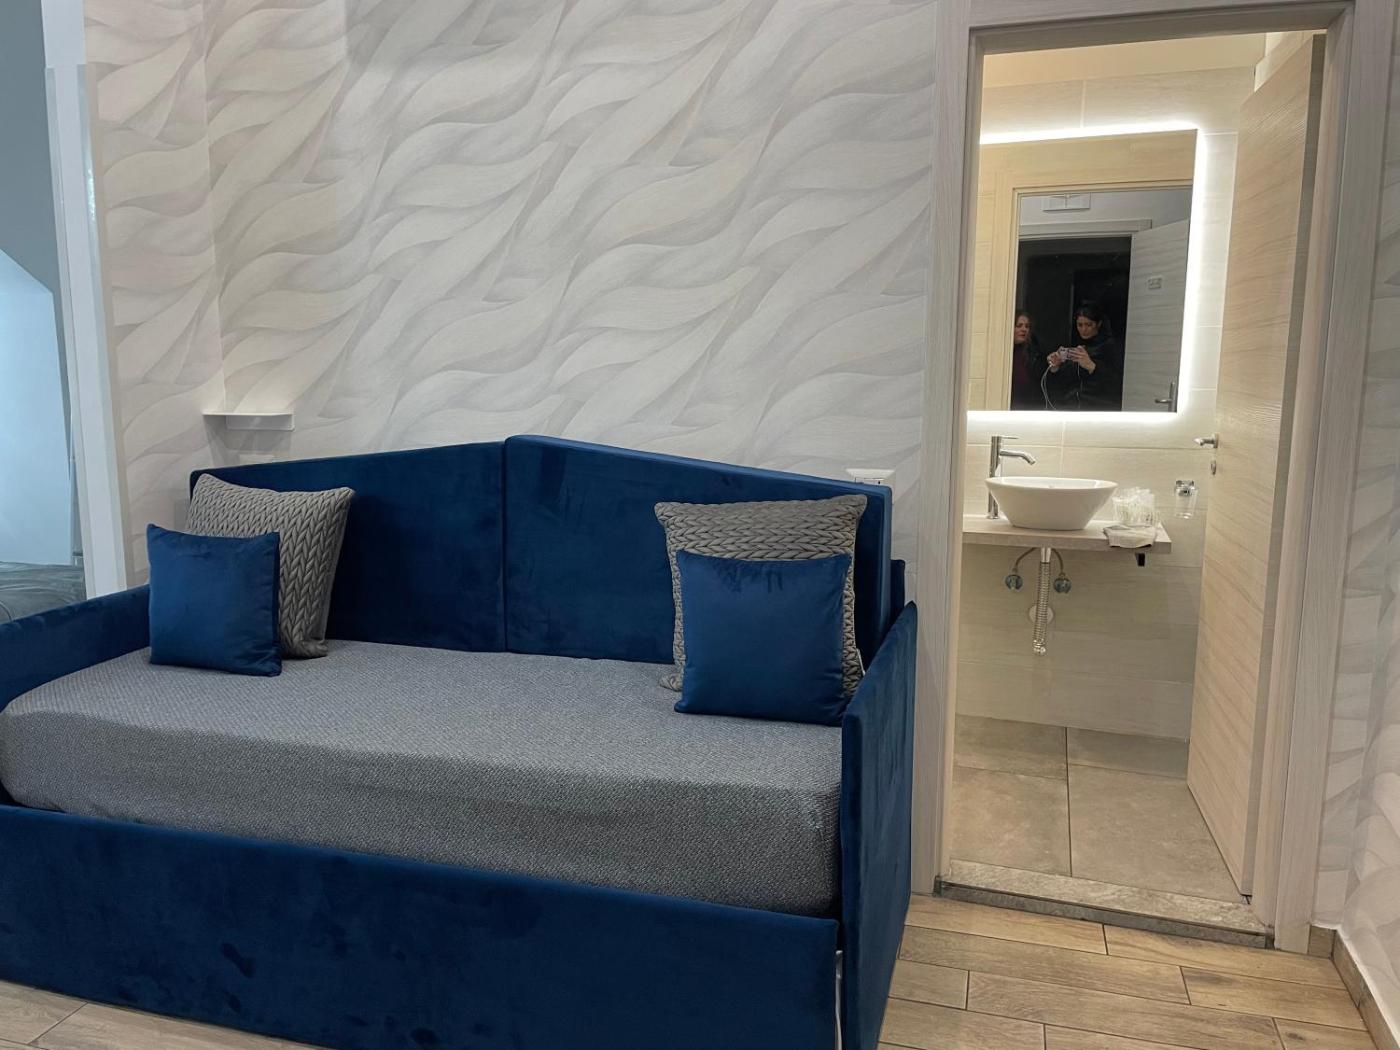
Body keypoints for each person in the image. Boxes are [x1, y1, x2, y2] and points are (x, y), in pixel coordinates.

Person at [1044, 303, 1123, 410]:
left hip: (1098, 407)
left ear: (1098, 324)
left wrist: (1092, 366)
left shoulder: (1110, 346)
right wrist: (1055, 367)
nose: (1084, 329)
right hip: (1071, 406)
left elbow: (1117, 382)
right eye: (1079, 325)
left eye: (1089, 325)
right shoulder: (1075, 345)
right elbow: (1064, 382)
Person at [1008, 310, 1048, 410]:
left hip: (1029, 406)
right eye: (1019, 326)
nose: (1024, 329)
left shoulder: (1034, 351)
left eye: (1027, 326)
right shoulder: (1003, 352)